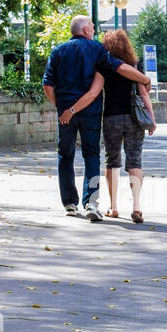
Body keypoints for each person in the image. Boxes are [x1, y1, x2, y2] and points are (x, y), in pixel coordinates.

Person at [43, 15, 151, 222]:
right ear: (85, 30)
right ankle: (91, 202)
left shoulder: (58, 51)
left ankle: (70, 204)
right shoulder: (97, 50)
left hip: (66, 114)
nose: (94, 30)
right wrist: (144, 79)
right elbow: (121, 67)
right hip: (90, 114)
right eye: (92, 27)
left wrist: (62, 108)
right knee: (91, 155)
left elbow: (47, 84)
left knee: (65, 156)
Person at [99, 29, 157, 223]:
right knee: (135, 161)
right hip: (134, 119)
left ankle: (114, 207)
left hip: (111, 118)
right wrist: (151, 119)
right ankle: (137, 207)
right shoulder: (134, 66)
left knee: (112, 161)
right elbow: (144, 93)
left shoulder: (105, 66)